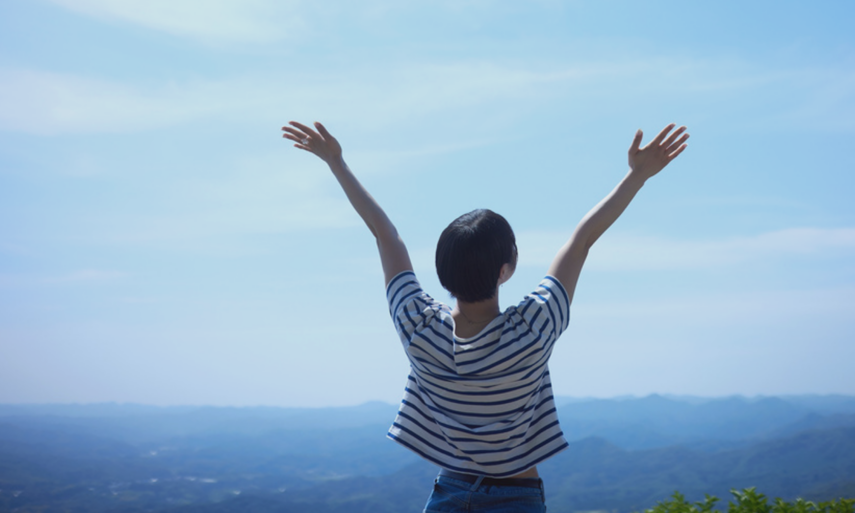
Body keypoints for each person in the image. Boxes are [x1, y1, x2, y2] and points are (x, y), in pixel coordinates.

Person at [282, 120, 689, 512]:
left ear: (442, 271)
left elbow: (385, 234)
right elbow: (582, 240)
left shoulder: (418, 327)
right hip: (518, 497)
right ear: (505, 270)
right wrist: (637, 176)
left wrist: (336, 162)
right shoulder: (533, 329)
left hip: (449, 494)